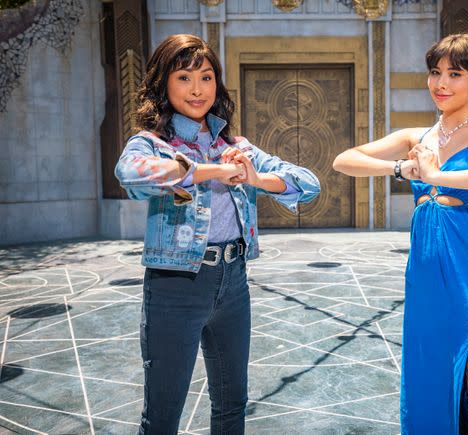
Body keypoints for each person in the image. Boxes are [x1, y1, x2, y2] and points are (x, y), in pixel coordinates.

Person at [114, 34, 320, 435]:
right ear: (163, 84)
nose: (197, 89)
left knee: (231, 405)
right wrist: (209, 171)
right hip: (176, 287)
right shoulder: (152, 143)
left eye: (206, 78)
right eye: (184, 77)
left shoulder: (235, 145)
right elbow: (131, 175)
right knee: (163, 414)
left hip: (233, 283)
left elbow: (307, 183)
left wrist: (255, 176)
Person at [333, 33, 468, 434]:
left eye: (454, 74)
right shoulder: (416, 138)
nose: (440, 84)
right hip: (428, 287)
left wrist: (437, 175)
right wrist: (399, 169)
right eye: (434, 72)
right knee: (432, 400)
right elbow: (345, 160)